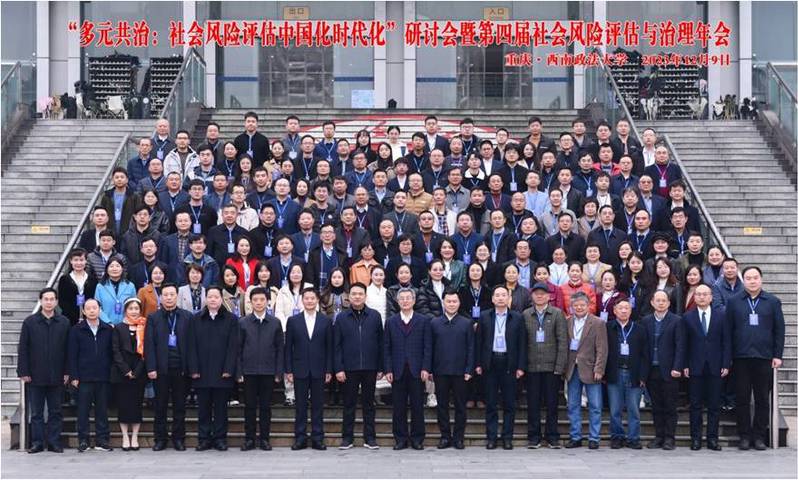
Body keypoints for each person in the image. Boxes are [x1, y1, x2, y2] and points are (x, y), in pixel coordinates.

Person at [726, 266, 785, 451]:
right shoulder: (734, 302)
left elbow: (779, 330)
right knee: (742, 398)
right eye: (748, 278)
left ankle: (759, 436)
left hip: (764, 357)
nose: (752, 281)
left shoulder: (773, 302)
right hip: (740, 357)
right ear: (743, 280)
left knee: (762, 399)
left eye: (755, 277)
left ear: (761, 279)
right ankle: (744, 436)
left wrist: (777, 355)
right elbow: (728, 331)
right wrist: (728, 356)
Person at [17, 288, 70, 453]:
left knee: (56, 411)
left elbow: (68, 349)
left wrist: (67, 371)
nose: (48, 302)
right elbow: (23, 348)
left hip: (57, 374)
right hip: (35, 374)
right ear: (40, 301)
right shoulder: (30, 322)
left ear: (56, 302)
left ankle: (54, 442)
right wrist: (23, 371)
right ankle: (37, 442)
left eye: (52, 299)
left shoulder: (64, 322)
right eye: (45, 299)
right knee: (37, 412)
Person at [475, 285, 527, 450]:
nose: (500, 298)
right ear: (492, 299)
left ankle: (507, 438)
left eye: (504, 295)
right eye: (497, 295)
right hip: (490, 362)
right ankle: (491, 438)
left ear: (509, 298)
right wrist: (478, 363)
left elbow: (522, 344)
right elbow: (479, 342)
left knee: (509, 404)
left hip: (509, 363)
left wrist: (521, 366)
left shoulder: (517, 317)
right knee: (491, 403)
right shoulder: (485, 316)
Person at [188, 286, 239, 451]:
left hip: (222, 372)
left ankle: (220, 438)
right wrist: (193, 369)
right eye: (210, 296)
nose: (213, 300)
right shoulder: (196, 319)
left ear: (221, 299)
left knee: (221, 408)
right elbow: (191, 346)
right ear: (205, 298)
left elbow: (233, 346)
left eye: (216, 297)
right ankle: (204, 439)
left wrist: (229, 368)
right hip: (201, 372)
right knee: (203, 408)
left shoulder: (231, 319)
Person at [334, 283, 384, 450]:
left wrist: (381, 367)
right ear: (349, 297)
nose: (357, 297)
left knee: (369, 404)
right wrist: (339, 368)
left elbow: (381, 343)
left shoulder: (375, 316)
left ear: (365, 296)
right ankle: (347, 438)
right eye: (354, 294)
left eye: (360, 294)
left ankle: (370, 438)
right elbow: (337, 345)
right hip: (349, 367)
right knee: (349, 404)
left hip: (370, 367)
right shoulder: (341, 317)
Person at [144, 283, 193, 451]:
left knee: (180, 406)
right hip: (160, 369)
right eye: (165, 295)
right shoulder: (153, 318)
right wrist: (151, 367)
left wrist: (191, 368)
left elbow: (192, 344)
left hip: (181, 368)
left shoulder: (187, 316)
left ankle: (178, 438)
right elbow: (149, 344)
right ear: (161, 297)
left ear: (177, 296)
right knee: (160, 406)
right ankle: (160, 438)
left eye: (172, 294)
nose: (169, 298)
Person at [682, 284, 731, 451]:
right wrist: (685, 364)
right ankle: (695, 439)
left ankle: (712, 439)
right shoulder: (687, 317)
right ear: (694, 297)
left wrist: (726, 363)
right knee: (695, 405)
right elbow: (684, 344)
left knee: (714, 405)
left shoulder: (721, 316)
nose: (702, 297)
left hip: (716, 366)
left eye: (705, 294)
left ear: (711, 297)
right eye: (698, 294)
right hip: (694, 366)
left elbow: (726, 341)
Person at [285, 288, 333, 450]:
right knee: (300, 406)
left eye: (313, 298)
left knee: (318, 406)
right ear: (302, 300)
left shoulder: (325, 321)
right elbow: (288, 347)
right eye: (306, 298)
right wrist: (289, 370)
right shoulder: (293, 321)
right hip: (299, 368)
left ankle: (318, 438)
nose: (310, 301)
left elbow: (329, 347)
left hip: (320, 369)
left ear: (317, 300)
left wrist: (329, 370)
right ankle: (300, 438)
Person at [383, 287, 431, 450]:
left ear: (414, 301)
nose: (405, 301)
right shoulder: (391, 321)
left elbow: (427, 347)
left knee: (417, 406)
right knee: (398, 407)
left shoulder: (423, 320)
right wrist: (388, 369)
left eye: (408, 298)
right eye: (402, 298)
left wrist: (426, 367)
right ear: (397, 301)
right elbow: (386, 347)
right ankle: (400, 439)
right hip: (397, 370)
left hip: (417, 370)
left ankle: (417, 439)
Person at [237, 287, 284, 451]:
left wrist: (278, 372)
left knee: (265, 407)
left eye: (262, 300)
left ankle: (264, 439)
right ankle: (249, 439)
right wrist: (239, 371)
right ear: (250, 302)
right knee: (249, 407)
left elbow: (280, 349)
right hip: (248, 372)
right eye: (255, 300)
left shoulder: (275, 322)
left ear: (268, 302)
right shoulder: (243, 322)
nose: (258, 303)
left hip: (268, 371)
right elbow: (238, 349)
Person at [522, 283, 568, 449]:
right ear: (532, 296)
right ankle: (534, 436)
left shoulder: (557, 314)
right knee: (533, 404)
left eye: (543, 294)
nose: (539, 296)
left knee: (552, 404)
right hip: (532, 366)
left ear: (549, 296)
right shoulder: (526, 314)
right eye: (536, 294)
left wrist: (559, 366)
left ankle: (552, 436)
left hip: (551, 367)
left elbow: (562, 341)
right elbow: (522, 342)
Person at [429, 289, 474, 450]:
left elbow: (471, 348)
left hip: (460, 372)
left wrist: (469, 369)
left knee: (460, 406)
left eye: (454, 301)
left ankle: (458, 438)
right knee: (442, 406)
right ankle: (445, 436)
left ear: (459, 303)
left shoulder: (466, 323)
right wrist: (429, 369)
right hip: (440, 371)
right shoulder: (434, 323)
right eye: (448, 301)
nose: (451, 304)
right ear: (443, 303)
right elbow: (430, 348)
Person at [68, 297, 114, 452]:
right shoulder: (76, 330)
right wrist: (74, 376)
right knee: (83, 410)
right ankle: (83, 440)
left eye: (95, 308)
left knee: (102, 410)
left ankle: (102, 440)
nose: (92, 311)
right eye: (88, 308)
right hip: (83, 377)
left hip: (103, 376)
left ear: (100, 310)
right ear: (83, 311)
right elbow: (72, 355)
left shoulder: (108, 329)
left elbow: (112, 354)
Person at [641, 290, 684, 450]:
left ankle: (669, 438)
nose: (660, 303)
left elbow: (681, 346)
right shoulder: (646, 321)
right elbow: (643, 348)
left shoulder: (677, 320)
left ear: (668, 303)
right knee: (656, 406)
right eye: (657, 300)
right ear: (652, 302)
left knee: (670, 406)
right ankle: (659, 436)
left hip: (670, 370)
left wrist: (677, 367)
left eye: (663, 300)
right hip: (652, 369)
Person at [563, 291, 607, 450]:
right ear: (571, 307)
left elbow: (602, 348)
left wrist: (599, 368)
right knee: (573, 405)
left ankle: (594, 437)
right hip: (572, 368)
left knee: (595, 405)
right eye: (576, 305)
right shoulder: (567, 322)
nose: (579, 308)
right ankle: (575, 436)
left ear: (588, 306)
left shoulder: (598, 323)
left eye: (582, 305)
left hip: (591, 368)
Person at [605, 298, 649, 450]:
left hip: (634, 373)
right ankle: (617, 436)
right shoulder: (608, 327)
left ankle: (633, 438)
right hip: (614, 372)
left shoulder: (639, 329)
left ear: (631, 311)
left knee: (633, 409)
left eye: (627, 308)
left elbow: (645, 355)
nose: (623, 311)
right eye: (620, 308)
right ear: (614, 310)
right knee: (615, 409)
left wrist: (643, 376)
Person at [111, 298, 148, 451]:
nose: (134, 311)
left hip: (139, 372)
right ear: (125, 310)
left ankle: (135, 437)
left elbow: (146, 351)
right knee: (124, 405)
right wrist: (126, 370)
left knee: (137, 405)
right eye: (131, 308)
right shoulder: (118, 328)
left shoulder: (144, 326)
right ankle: (125, 436)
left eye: (136, 308)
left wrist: (137, 370)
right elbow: (115, 351)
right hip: (122, 373)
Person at [57, 248, 98, 326]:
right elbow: (62, 301)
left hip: (89, 318)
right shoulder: (64, 279)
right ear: (71, 261)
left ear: (86, 261)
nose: (79, 263)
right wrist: (74, 315)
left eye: (81, 260)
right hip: (69, 319)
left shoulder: (92, 279)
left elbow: (94, 298)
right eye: (75, 260)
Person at [94, 258, 136, 325]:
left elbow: (134, 306)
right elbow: (98, 307)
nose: (114, 269)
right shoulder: (100, 287)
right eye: (111, 266)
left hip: (126, 324)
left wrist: (126, 321)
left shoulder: (130, 286)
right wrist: (108, 322)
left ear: (122, 269)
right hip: (106, 324)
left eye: (117, 266)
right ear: (107, 270)